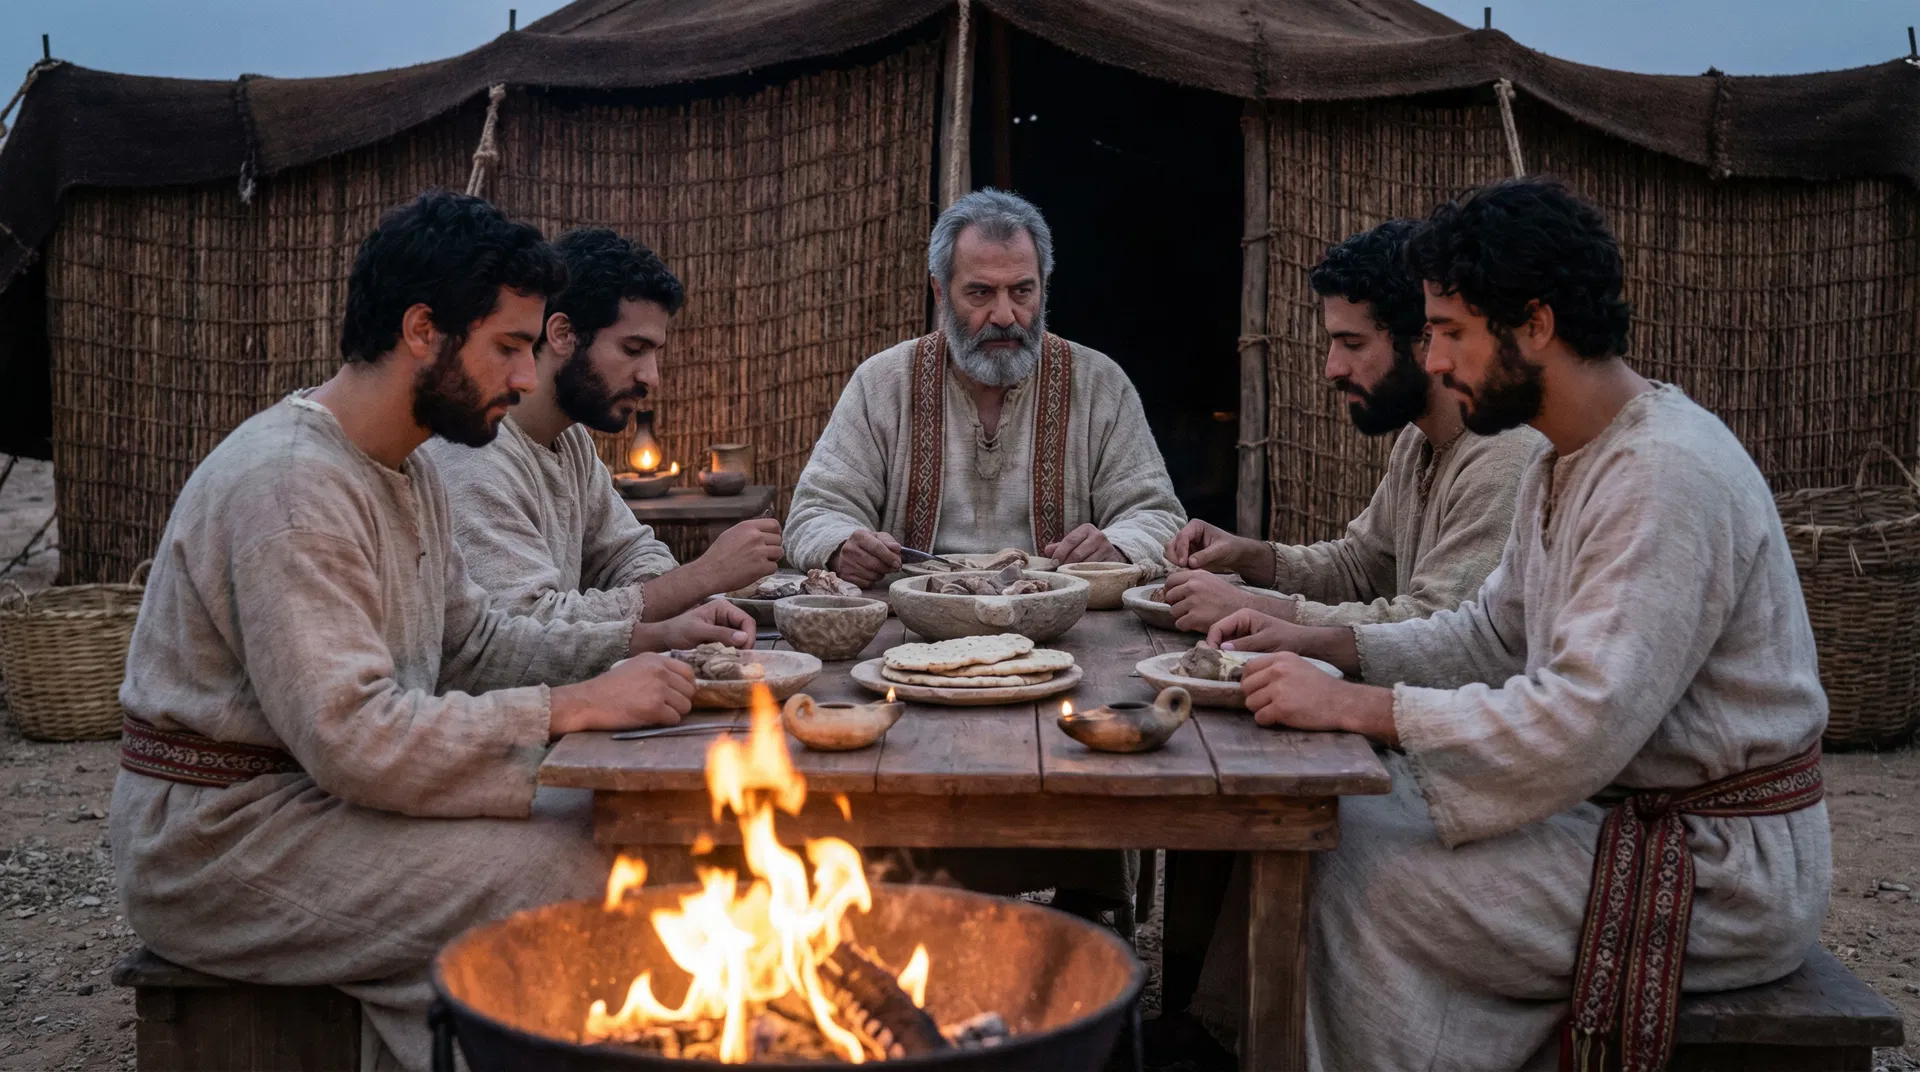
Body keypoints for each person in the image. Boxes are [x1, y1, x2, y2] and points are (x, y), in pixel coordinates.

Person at [110, 191, 754, 1072]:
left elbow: (476, 643)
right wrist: (568, 705)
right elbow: (355, 738)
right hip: (224, 840)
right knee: (592, 884)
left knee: (640, 825)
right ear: (423, 330)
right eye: (509, 348)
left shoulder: (405, 469)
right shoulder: (293, 488)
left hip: (324, 800)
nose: (527, 379)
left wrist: (636, 651)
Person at [1194, 179, 1830, 1071]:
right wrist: (1325, 645)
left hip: (1716, 864)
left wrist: (1363, 710)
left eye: (1451, 331)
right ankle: (1249, 1046)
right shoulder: (1564, 463)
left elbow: (1579, 721)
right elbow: (1489, 638)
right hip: (1619, 813)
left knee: (1367, 878)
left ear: (1534, 324)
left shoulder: (1665, 476)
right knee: (1328, 823)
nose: (1438, 360)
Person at [784, 188, 1187, 586]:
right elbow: (814, 513)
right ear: (941, 292)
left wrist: (1116, 548)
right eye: (981, 292)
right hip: (910, 629)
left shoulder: (1099, 384)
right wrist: (842, 547)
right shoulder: (883, 383)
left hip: (1067, 630)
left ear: (1042, 288)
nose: (1004, 314)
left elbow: (1157, 516)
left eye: (1021, 291)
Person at [1160, 219, 1539, 634]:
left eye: (1353, 344)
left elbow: (1441, 629)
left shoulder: (1504, 455)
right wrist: (1247, 555)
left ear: (1426, 338)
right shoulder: (1418, 440)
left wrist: (1254, 610)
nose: (1332, 368)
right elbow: (1360, 568)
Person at [427, 228, 782, 623]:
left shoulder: (570, 439)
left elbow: (625, 553)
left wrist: (682, 606)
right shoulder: (471, 453)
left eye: (653, 353)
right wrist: (702, 576)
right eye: (633, 349)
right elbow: (525, 628)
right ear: (564, 334)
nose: (651, 377)